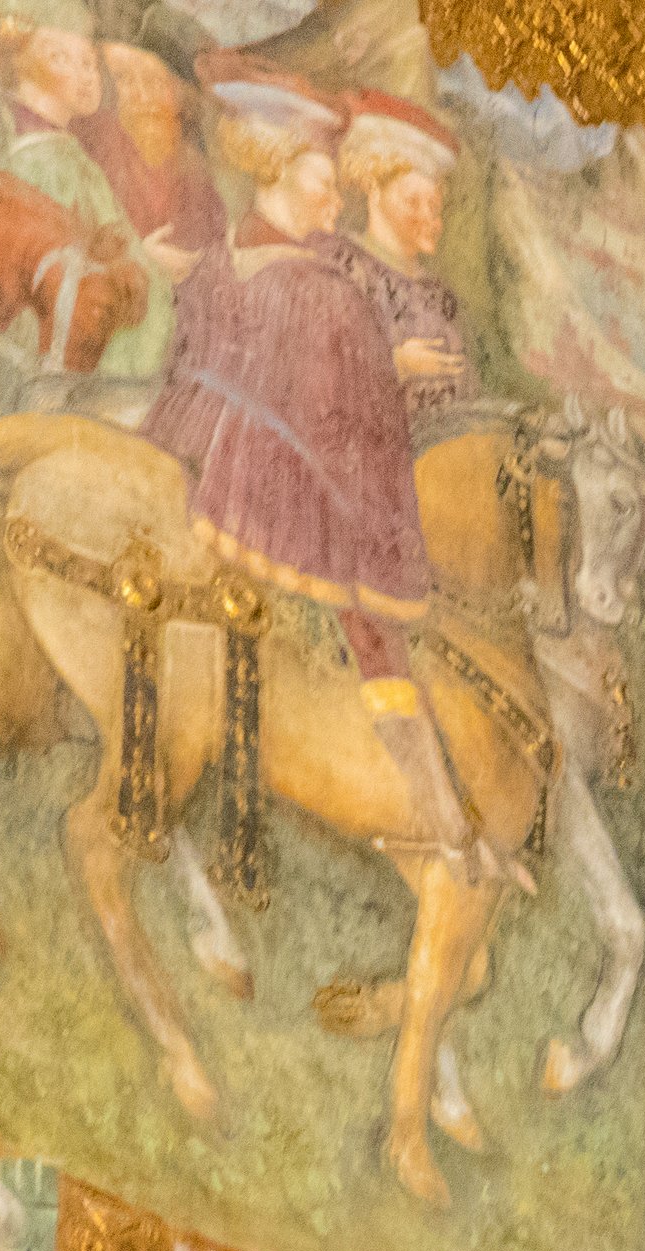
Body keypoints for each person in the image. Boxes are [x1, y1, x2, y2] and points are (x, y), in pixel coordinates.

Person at [140, 65, 493, 879]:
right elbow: (346, 421)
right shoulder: (317, 289)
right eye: (324, 183)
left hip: (217, 450)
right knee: (380, 632)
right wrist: (391, 370)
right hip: (280, 484)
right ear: (276, 168)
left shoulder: (236, 257)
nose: (337, 204)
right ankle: (443, 825)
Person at [0, 0, 175, 391]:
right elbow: (59, 272)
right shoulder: (39, 160)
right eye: (65, 59)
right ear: (28, 64)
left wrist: (140, 256)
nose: (89, 76)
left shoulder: (63, 150)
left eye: (90, 63)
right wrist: (143, 262)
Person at [333, 92, 475, 439]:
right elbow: (318, 384)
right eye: (412, 201)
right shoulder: (343, 269)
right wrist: (395, 366)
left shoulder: (439, 295)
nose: (429, 219)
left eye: (435, 207)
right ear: (374, 191)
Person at [80, 43, 223, 260]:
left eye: (156, 81)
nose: (144, 97)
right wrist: (138, 258)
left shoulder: (195, 171)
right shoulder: (89, 161)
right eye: (124, 80)